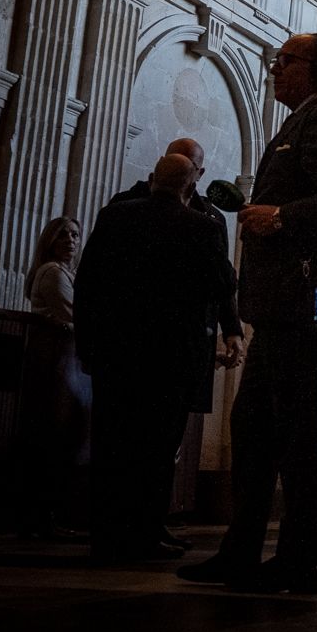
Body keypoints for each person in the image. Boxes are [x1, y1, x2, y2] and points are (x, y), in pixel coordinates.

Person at [178, 31, 317, 596]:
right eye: (275, 61)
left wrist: (281, 216)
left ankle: (299, 559)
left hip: (302, 302)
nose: (274, 70)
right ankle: (243, 551)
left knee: (294, 432)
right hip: (282, 305)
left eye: (285, 62)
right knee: (256, 427)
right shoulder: (300, 122)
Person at [75, 155, 235, 562]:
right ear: (189, 187)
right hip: (171, 358)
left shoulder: (114, 217)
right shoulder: (202, 226)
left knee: (111, 443)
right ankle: (145, 532)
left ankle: (106, 534)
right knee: (158, 449)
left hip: (115, 354)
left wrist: (88, 347)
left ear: (151, 180)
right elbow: (222, 283)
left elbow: (87, 283)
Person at [111, 137, 246, 372]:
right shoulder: (122, 207)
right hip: (126, 334)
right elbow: (96, 275)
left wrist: (232, 329)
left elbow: (222, 285)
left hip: (180, 344)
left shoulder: (210, 220)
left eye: (189, 164)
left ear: (199, 174)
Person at [16, 216, 90, 539]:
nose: (71, 241)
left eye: (75, 235)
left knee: (63, 437)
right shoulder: (52, 273)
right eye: (63, 236)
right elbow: (73, 316)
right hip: (56, 364)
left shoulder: (67, 274)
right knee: (53, 435)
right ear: (50, 240)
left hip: (65, 362)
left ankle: (52, 514)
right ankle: (42, 517)